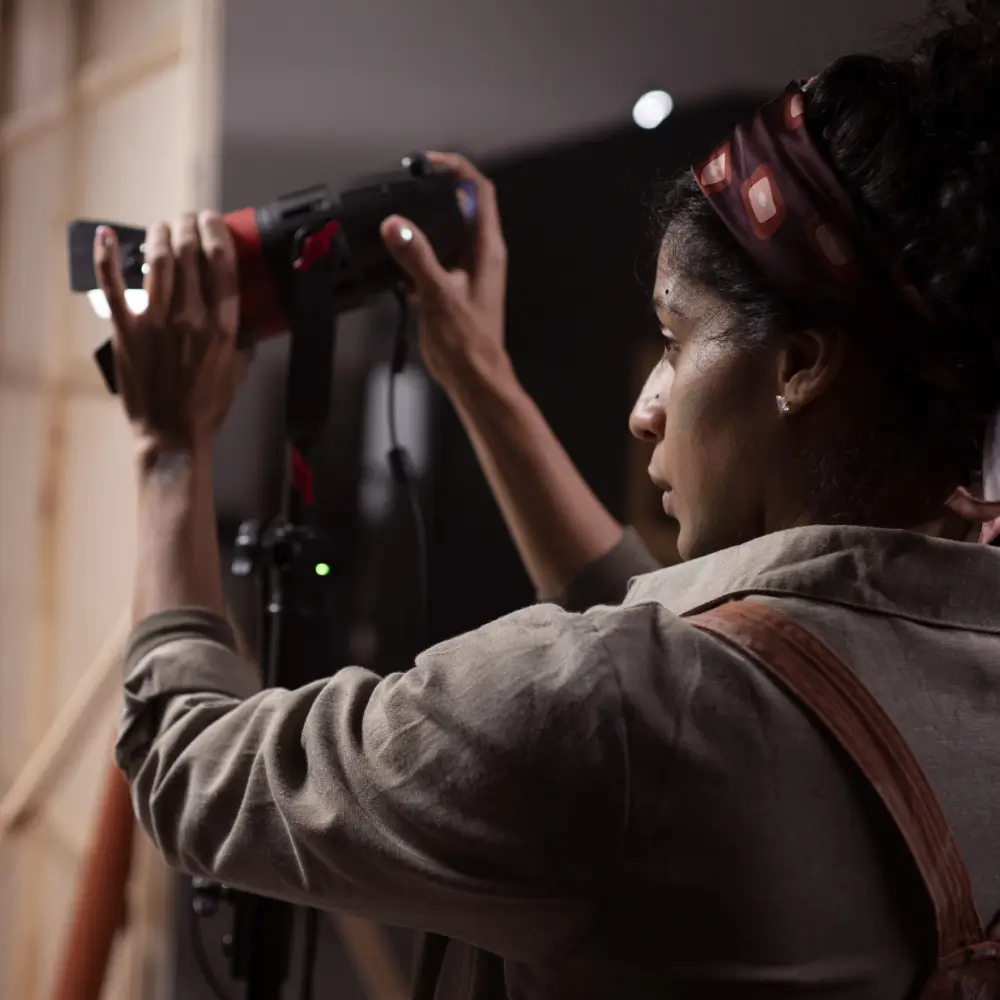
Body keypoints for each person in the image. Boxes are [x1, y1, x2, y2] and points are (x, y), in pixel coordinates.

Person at [102, 3, 1000, 998]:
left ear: (795, 365)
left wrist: (171, 451)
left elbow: (193, 773)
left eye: (673, 339)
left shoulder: (614, 716)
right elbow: (715, 648)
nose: (643, 411)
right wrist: (482, 379)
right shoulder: (956, 669)